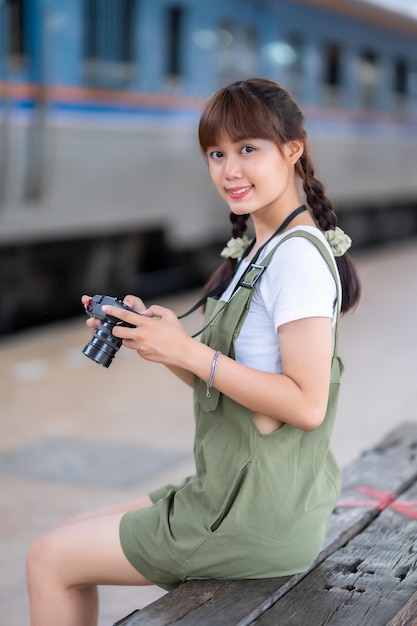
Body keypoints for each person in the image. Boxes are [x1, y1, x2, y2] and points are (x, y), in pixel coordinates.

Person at [26, 77, 360, 625]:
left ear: (292, 150)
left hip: (250, 515)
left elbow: (305, 405)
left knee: (49, 558)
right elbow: (232, 388)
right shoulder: (262, 248)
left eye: (247, 149)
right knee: (63, 539)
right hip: (238, 493)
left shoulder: (294, 260)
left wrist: (189, 353)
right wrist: (159, 342)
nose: (230, 170)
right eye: (216, 153)